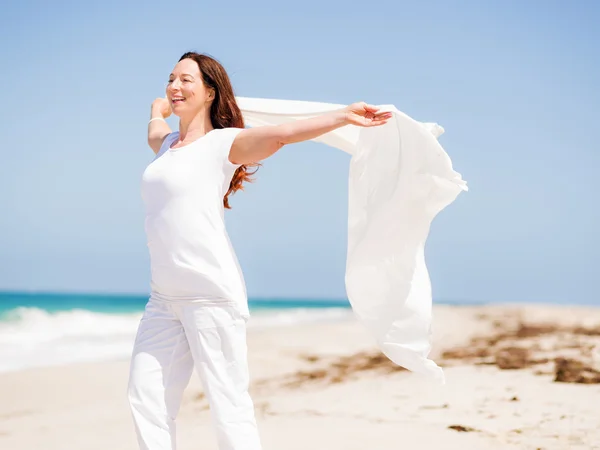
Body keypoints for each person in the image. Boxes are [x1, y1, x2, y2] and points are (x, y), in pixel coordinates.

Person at [127, 51, 392, 450]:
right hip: (163, 299)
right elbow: (154, 131)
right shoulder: (167, 145)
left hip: (210, 295)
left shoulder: (224, 144)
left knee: (227, 405)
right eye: (170, 79)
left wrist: (342, 115)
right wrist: (155, 109)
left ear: (210, 93)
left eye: (186, 81)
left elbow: (283, 133)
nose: (174, 87)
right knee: (145, 399)